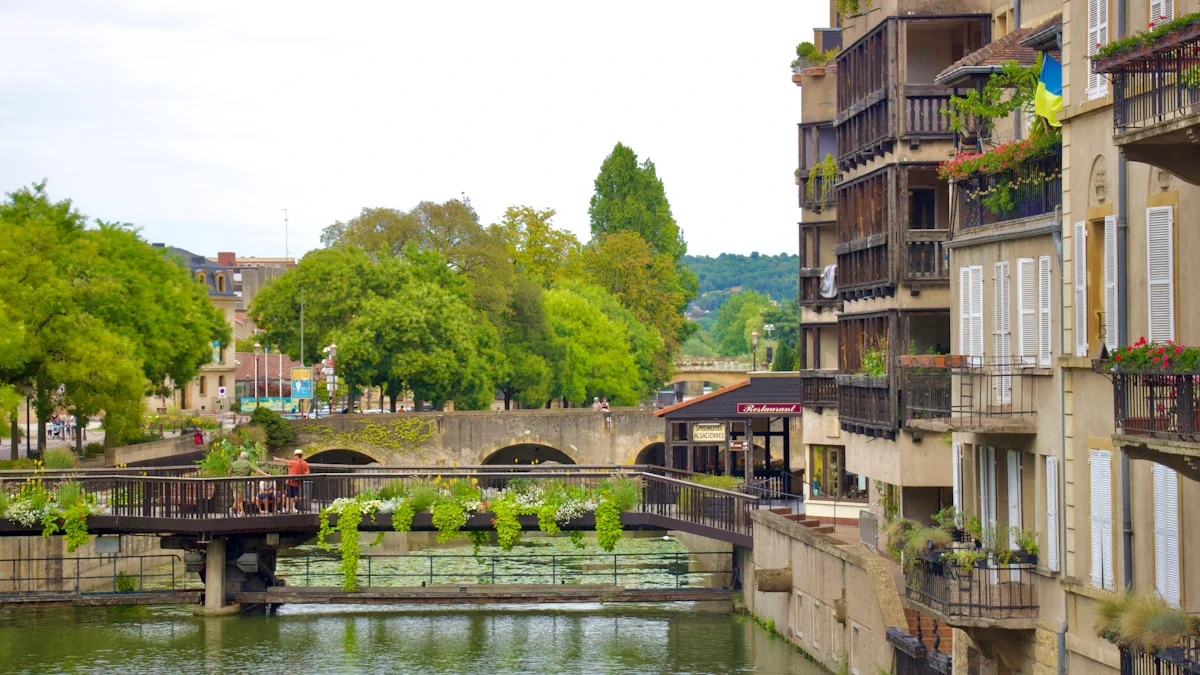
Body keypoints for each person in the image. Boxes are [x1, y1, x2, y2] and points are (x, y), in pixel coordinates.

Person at [272, 449, 311, 513]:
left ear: (297, 456)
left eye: (294, 455)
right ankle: (288, 509)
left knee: (290, 496)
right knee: (291, 496)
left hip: (291, 482)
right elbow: (307, 472)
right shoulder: (305, 463)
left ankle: (290, 510)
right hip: (298, 482)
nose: (294, 457)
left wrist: (277, 459)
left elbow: (286, 461)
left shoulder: (294, 462)